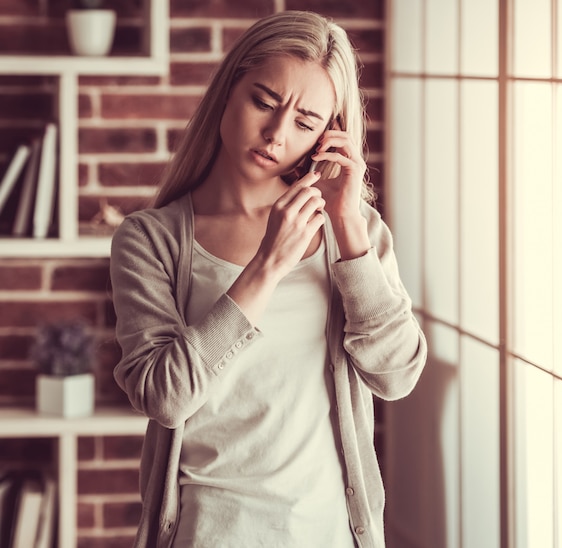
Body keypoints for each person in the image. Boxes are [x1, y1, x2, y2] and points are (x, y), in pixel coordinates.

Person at [110, 10, 427, 548]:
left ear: (329, 137)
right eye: (264, 101)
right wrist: (265, 268)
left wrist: (348, 225)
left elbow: (397, 376)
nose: (277, 134)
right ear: (229, 90)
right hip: (206, 532)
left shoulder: (355, 231)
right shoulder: (151, 239)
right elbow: (164, 396)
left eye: (305, 122)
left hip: (329, 532)